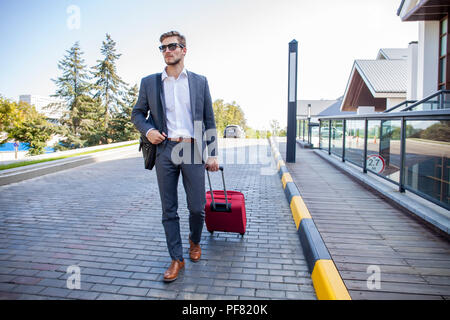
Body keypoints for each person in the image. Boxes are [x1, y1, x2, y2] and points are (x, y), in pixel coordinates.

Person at [131, 31, 219, 282]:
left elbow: (209, 119)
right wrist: (148, 131)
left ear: (184, 50)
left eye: (172, 46)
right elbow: (137, 113)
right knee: (168, 209)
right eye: (163, 48)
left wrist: (212, 154)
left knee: (197, 207)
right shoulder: (150, 82)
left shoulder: (199, 82)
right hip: (165, 150)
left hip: (192, 149)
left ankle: (194, 240)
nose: (167, 51)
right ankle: (176, 259)